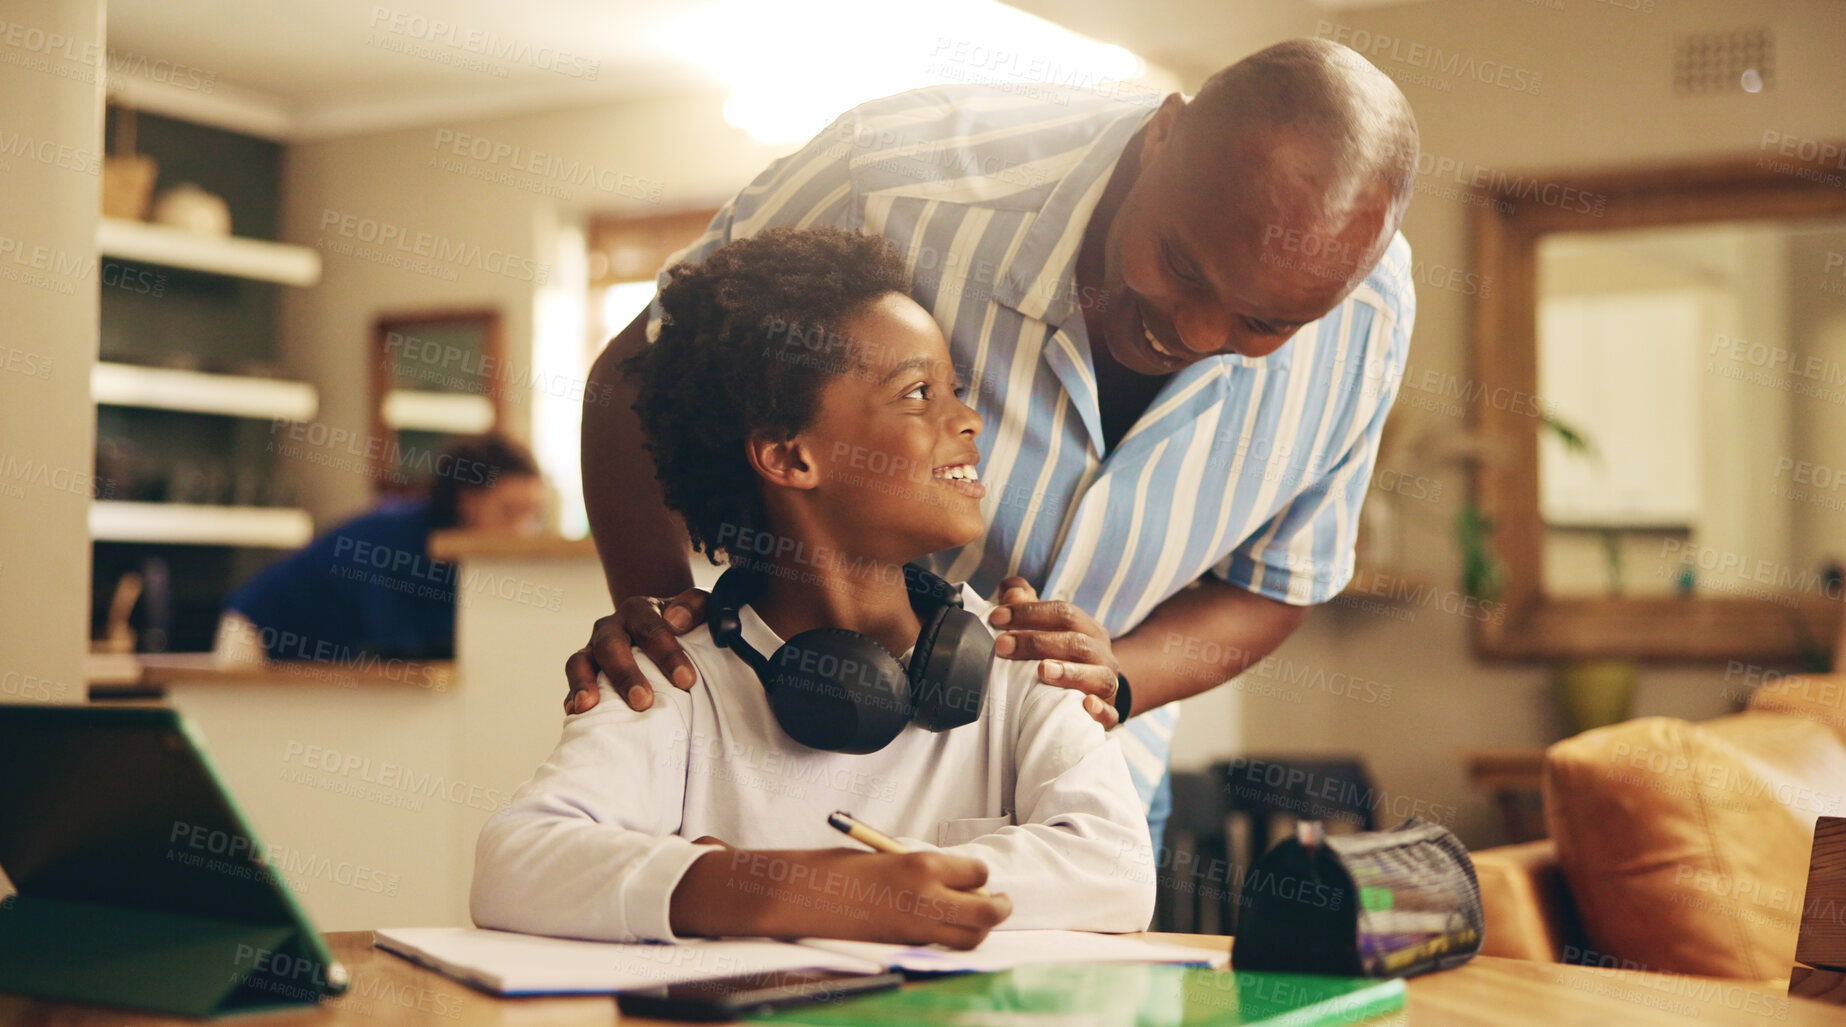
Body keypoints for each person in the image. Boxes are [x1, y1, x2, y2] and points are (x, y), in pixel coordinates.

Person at [571, 38, 1421, 857]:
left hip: (1092, 770)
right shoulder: (886, 176)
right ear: (1162, 134)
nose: (1195, 333)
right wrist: (664, 626)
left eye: (1264, 323)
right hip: (787, 745)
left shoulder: (1366, 320)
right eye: (1183, 266)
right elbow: (644, 374)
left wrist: (1112, 680)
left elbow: (1273, 586)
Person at [471, 228, 1153, 947]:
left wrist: (881, 887)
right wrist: (808, 892)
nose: (967, 419)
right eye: (919, 393)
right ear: (789, 455)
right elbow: (513, 862)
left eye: (957, 390)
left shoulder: (1023, 655)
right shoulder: (675, 677)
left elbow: (1116, 867)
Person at [217, 433, 544, 662]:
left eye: (532, 514)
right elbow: (391, 647)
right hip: (255, 635)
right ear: (466, 501)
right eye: (509, 512)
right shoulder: (391, 537)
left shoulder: (466, 559)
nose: (523, 531)